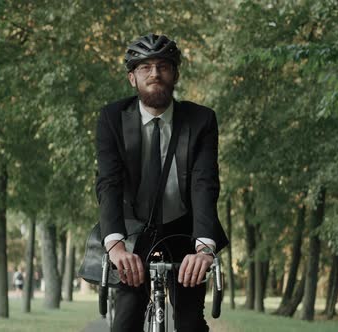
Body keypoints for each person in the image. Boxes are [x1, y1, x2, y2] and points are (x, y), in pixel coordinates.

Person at [95, 33, 228, 331]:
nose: (155, 74)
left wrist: (205, 247)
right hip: (134, 234)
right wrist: (115, 245)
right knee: (125, 322)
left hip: (185, 230)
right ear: (132, 78)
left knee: (191, 323)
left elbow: (204, 182)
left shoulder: (201, 120)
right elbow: (109, 183)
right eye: (145, 67)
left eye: (163, 66)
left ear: (175, 74)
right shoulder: (111, 118)